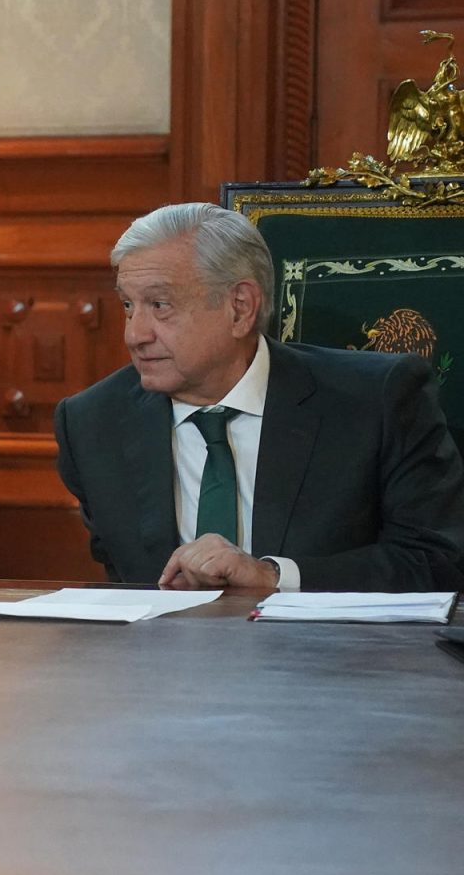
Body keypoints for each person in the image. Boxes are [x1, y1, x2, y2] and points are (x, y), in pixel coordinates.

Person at [54, 202, 464, 592]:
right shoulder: (91, 424)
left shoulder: (375, 401)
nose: (134, 334)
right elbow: (126, 585)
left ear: (240, 308)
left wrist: (273, 577)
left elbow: (436, 561)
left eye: (160, 306)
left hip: (331, 658)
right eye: (129, 305)